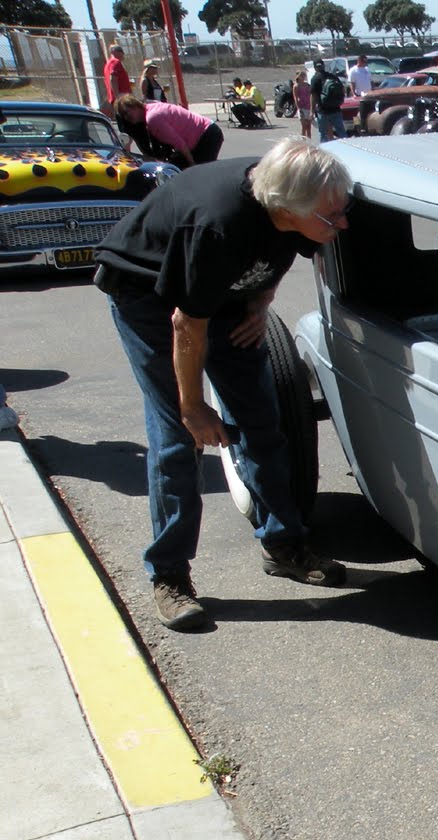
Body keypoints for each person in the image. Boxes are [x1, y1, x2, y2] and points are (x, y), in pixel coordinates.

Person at [92, 138, 354, 630]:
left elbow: (284, 253)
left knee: (261, 418)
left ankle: (283, 544)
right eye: (332, 216)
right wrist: (192, 407)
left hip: (225, 294)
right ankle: (169, 574)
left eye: (342, 210)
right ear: (285, 206)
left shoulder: (302, 200)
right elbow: (186, 326)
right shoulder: (217, 225)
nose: (343, 223)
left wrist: (259, 304)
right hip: (151, 301)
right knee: (177, 441)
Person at [115, 95, 224, 167]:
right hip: (201, 135)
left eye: (127, 112)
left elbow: (179, 143)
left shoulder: (152, 119)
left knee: (201, 173)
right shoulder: (151, 108)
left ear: (135, 106)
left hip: (207, 135)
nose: (127, 117)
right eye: (123, 115)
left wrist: (192, 164)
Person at [313, 60, 346, 141]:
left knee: (323, 133)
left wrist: (312, 109)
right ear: (324, 66)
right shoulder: (333, 76)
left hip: (323, 110)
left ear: (315, 68)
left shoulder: (315, 78)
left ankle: (324, 151)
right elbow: (342, 89)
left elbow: (313, 95)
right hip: (336, 109)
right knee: (341, 132)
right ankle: (348, 149)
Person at [293, 68, 313, 139]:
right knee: (304, 126)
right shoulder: (296, 86)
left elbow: (311, 95)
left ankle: (309, 141)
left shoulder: (307, 85)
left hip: (308, 106)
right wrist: (298, 108)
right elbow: (295, 97)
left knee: (309, 126)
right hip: (301, 106)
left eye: (304, 76)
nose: (303, 77)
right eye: (302, 76)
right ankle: (303, 140)